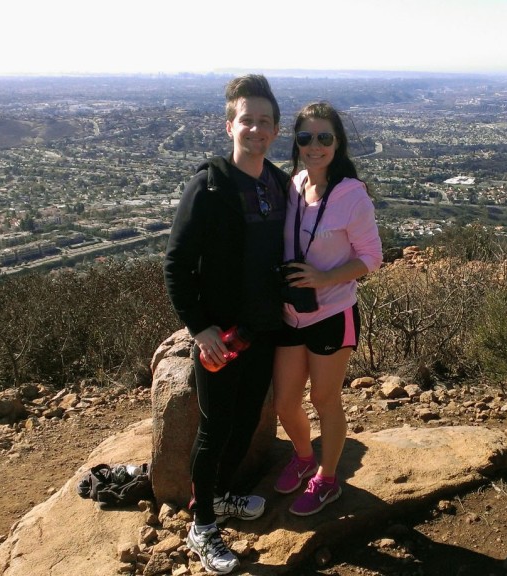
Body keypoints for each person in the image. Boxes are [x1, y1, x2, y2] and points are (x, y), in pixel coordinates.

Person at [162, 74, 289, 575]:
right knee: (215, 430)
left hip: (263, 329)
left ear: (275, 129)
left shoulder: (277, 184)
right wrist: (199, 327)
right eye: (246, 120)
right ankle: (202, 525)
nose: (255, 129)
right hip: (222, 334)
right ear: (229, 124)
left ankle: (224, 496)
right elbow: (175, 263)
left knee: (245, 420)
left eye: (264, 121)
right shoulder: (209, 185)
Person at [272, 102, 383, 516]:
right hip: (290, 313)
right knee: (284, 402)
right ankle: (303, 456)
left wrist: (323, 278)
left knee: (324, 398)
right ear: (296, 142)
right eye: (305, 137)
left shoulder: (352, 195)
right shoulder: (295, 183)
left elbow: (372, 257)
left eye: (324, 138)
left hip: (333, 313)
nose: (314, 146)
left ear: (338, 143)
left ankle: (328, 479)